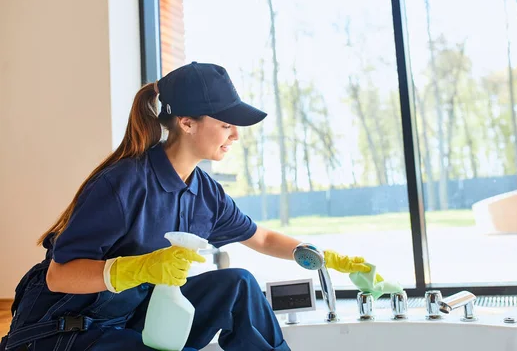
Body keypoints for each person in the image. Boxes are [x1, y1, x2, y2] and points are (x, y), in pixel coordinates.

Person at [0, 62, 375, 351]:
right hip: (65, 330)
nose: (236, 135)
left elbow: (259, 237)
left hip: (133, 317)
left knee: (239, 285)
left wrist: (315, 255)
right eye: (227, 123)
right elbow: (60, 276)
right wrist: (140, 267)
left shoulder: (204, 192)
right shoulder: (123, 182)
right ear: (187, 123)